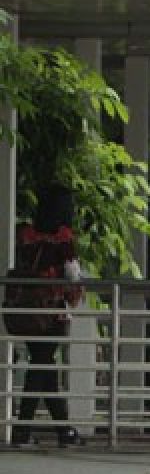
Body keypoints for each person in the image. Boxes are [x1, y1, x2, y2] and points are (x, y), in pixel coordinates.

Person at [9, 184, 84, 448]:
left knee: (44, 367)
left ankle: (64, 431)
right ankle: (22, 431)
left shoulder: (26, 235)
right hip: (52, 313)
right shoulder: (63, 240)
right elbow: (73, 276)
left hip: (28, 311)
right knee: (40, 367)